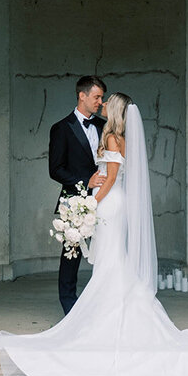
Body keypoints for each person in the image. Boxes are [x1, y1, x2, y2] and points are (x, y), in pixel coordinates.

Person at [0, 93, 188, 376]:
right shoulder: (119, 138)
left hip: (109, 204)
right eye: (99, 101)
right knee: (111, 261)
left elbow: (112, 177)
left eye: (107, 104)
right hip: (113, 204)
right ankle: (113, 313)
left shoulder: (115, 139)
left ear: (115, 111)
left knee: (110, 263)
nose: (102, 106)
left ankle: (109, 319)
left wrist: (91, 203)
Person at [47, 76, 107, 314]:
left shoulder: (104, 126)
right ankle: (69, 307)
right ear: (82, 95)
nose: (100, 102)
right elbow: (55, 169)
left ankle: (104, 303)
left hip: (106, 196)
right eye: (97, 97)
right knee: (71, 254)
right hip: (75, 199)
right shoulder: (61, 128)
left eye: (101, 98)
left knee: (107, 248)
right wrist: (85, 182)